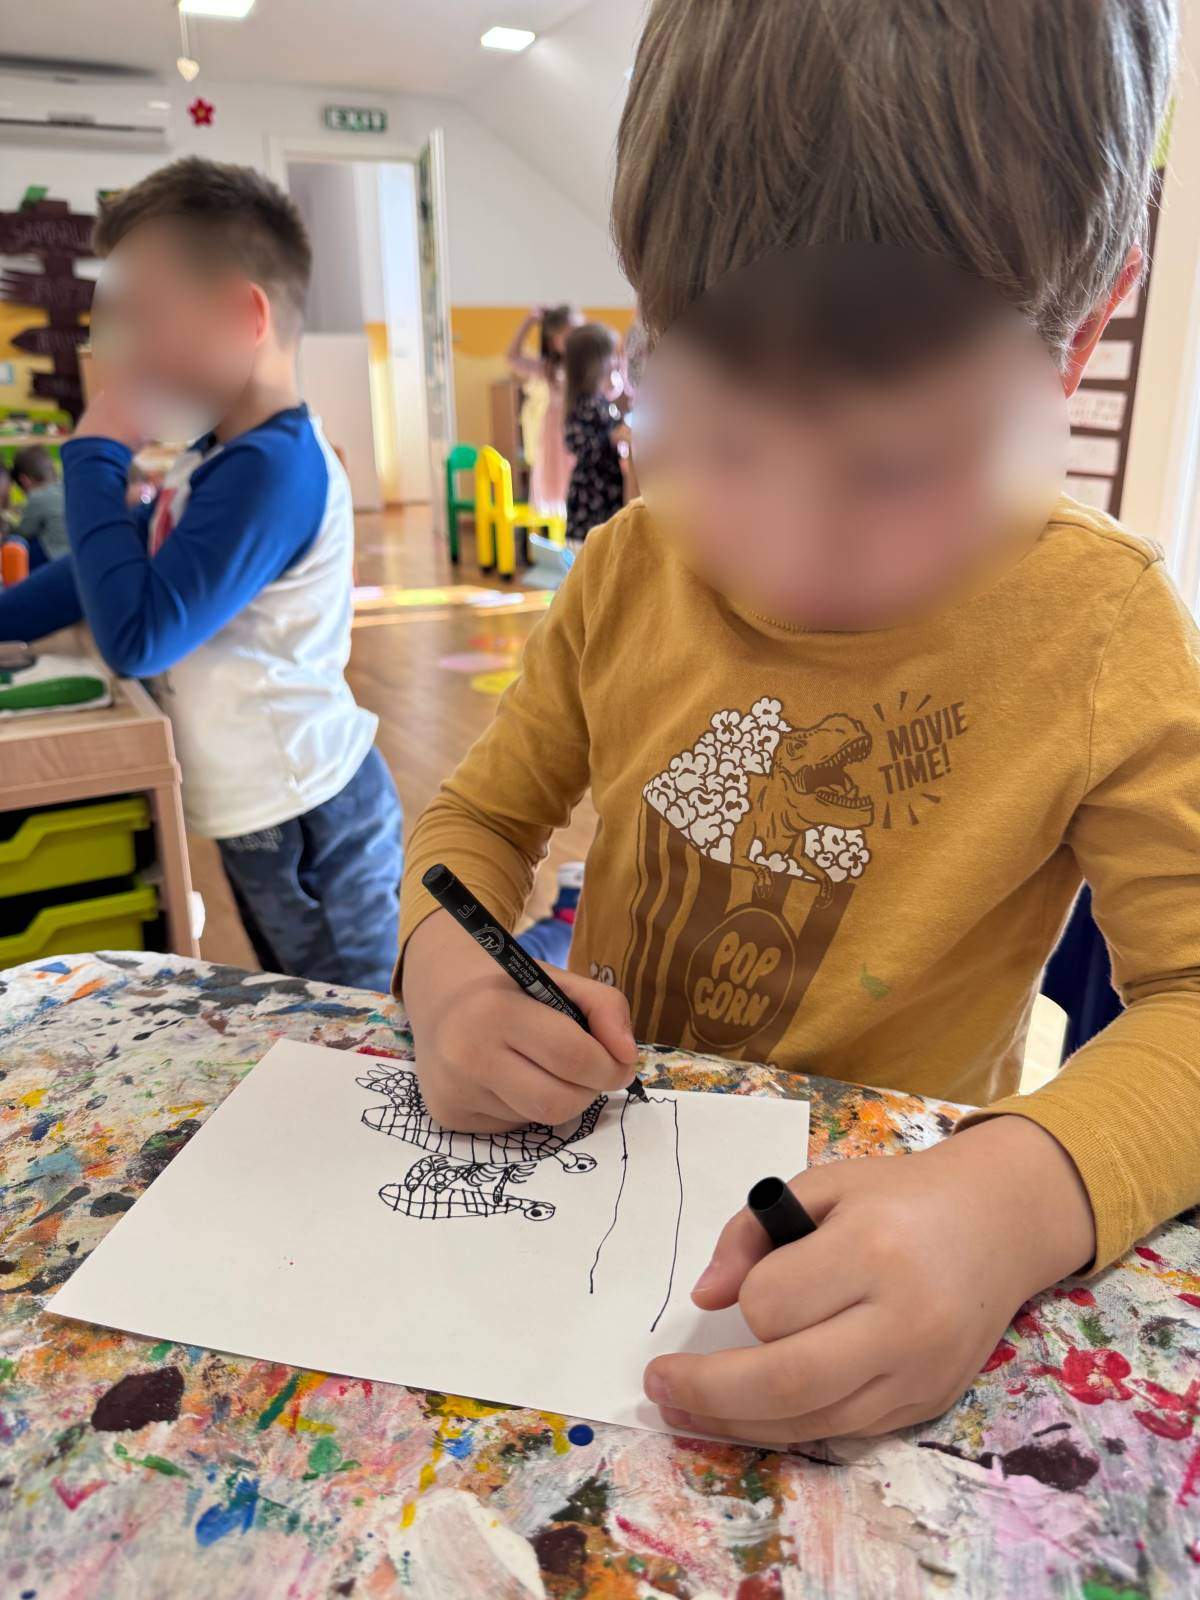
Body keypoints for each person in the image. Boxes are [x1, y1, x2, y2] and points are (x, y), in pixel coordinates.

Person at [396, 0, 1197, 1446]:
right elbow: (478, 825)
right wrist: (447, 978)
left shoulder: (1104, 634)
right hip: (575, 1221)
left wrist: (1011, 1203)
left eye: (894, 471)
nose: (785, 541)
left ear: (1079, 337)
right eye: (722, 438)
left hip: (869, 1273)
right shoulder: (630, 567)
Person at [0, 157, 402, 992]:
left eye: (143, 319)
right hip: (264, 810)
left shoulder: (273, 469)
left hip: (309, 811)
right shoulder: (213, 461)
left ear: (242, 316)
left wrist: (94, 455)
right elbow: (99, 580)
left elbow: (140, 634)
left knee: (362, 1013)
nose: (120, 351)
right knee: (301, 994)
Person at [507, 304, 582, 515]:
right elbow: (512, 357)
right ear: (553, 342)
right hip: (555, 439)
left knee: (577, 490)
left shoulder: (585, 366)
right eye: (567, 335)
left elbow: (612, 387)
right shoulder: (549, 368)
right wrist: (529, 322)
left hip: (578, 434)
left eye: (577, 332)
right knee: (556, 491)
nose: (574, 340)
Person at [562, 322, 627, 544]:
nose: (615, 362)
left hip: (606, 489)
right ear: (594, 364)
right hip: (591, 495)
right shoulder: (585, 405)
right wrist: (611, 438)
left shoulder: (602, 402)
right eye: (611, 356)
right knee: (590, 546)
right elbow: (576, 444)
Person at [11, 445, 68, 569]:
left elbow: (23, 532)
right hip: (75, 553)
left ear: (24, 480)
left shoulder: (37, 496)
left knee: (14, 541)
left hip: (55, 557)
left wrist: (8, 525)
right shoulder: (64, 486)